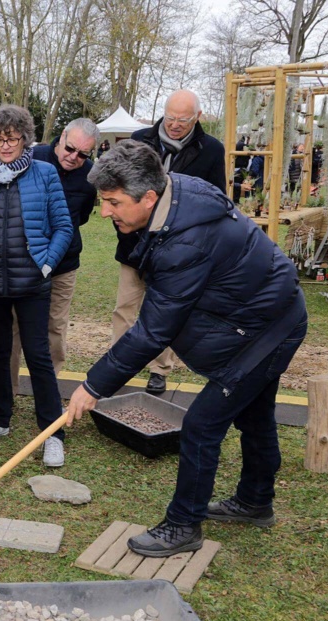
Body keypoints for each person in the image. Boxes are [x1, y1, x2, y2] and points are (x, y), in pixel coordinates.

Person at [66, 141, 307, 556]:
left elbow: (152, 332)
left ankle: (183, 525)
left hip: (266, 330)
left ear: (149, 197)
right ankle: (254, 501)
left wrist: (92, 386)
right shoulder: (174, 198)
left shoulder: (186, 243)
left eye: (113, 203)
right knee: (255, 415)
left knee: (201, 426)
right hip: (261, 313)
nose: (105, 212)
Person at [0, 105, 73, 466]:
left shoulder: (44, 173)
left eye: (11, 138)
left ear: (24, 137)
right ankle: (0, 417)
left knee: (39, 356)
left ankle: (52, 431)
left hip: (33, 283)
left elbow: (63, 226)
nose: (5, 146)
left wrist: (46, 264)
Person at [124, 89, 226, 395]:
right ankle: (119, 364)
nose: (176, 124)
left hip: (177, 246)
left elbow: (215, 197)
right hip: (134, 241)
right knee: (125, 308)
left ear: (197, 116)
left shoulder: (210, 149)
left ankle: (160, 369)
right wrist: (126, 231)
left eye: (183, 119)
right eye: (171, 117)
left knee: (167, 309)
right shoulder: (139, 138)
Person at [6, 119, 98, 396]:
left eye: (83, 154)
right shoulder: (29, 159)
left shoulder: (90, 175)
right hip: (22, 261)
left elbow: (80, 217)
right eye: (70, 148)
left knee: (55, 327)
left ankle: (47, 391)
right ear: (61, 138)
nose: (74, 157)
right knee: (13, 328)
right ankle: (6, 392)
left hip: (64, 264)